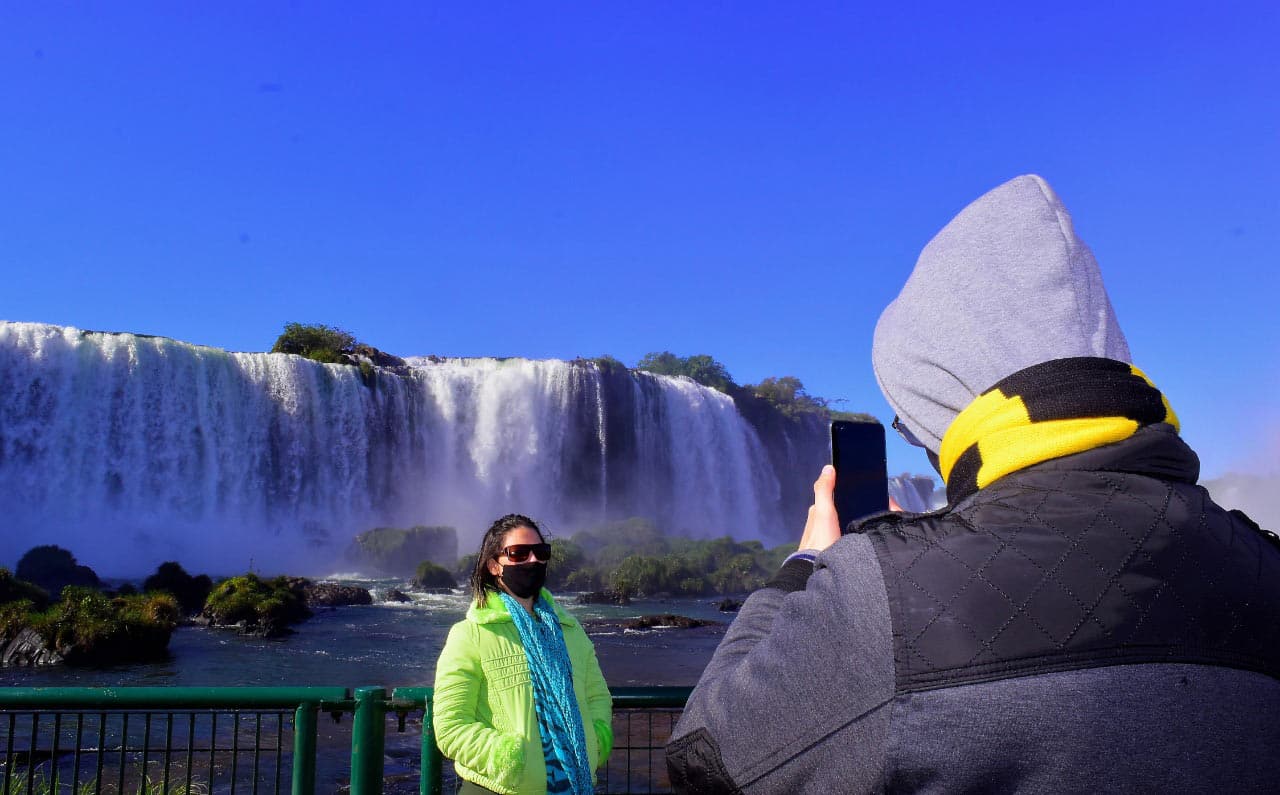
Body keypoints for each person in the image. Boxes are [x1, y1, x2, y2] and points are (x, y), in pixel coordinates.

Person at [666, 175, 1280, 792]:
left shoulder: (878, 598)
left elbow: (704, 758)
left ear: (956, 406)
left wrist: (809, 565)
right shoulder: (1265, 562)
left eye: (918, 425)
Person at [434, 514, 613, 795]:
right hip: (500, 789)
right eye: (518, 553)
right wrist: (508, 758)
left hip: (576, 784)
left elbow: (598, 697)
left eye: (540, 552)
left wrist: (596, 741)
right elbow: (450, 726)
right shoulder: (470, 634)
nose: (532, 561)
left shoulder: (569, 630)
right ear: (494, 565)